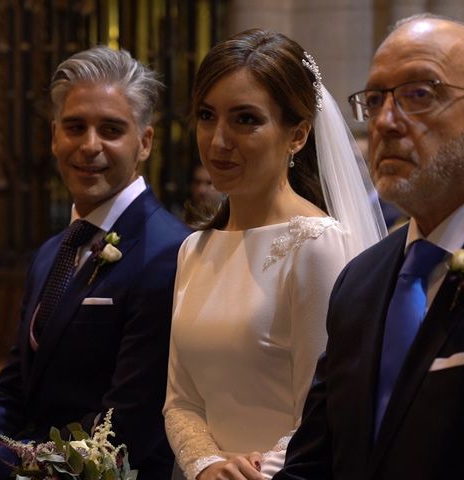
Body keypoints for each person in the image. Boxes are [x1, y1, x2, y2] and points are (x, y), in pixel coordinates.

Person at [0, 46, 190, 480]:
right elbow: (17, 387)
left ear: (145, 142)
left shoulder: (167, 252)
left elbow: (123, 433)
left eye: (111, 129)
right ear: (55, 136)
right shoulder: (53, 250)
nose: (89, 145)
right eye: (76, 127)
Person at [275, 13, 464, 480]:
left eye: (419, 96)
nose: (385, 122)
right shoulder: (361, 279)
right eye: (374, 99)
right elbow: (314, 461)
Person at [163, 29, 386, 480]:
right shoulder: (194, 248)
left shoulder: (317, 245)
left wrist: (256, 473)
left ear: (298, 134)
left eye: (245, 120)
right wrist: (206, 466)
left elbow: (324, 409)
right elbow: (180, 400)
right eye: (208, 116)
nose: (219, 140)